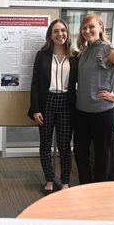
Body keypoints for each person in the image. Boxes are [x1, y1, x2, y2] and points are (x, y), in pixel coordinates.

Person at [74, 13, 114, 184]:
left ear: (101, 28)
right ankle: (86, 187)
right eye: (84, 28)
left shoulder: (108, 50)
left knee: (102, 156)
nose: (87, 31)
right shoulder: (85, 51)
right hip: (81, 112)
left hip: (102, 113)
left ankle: (99, 191)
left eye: (91, 27)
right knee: (80, 153)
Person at [28, 19, 79, 195]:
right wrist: (35, 109)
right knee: (45, 144)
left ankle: (65, 181)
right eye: (56, 31)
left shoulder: (75, 56)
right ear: (50, 35)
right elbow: (34, 84)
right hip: (46, 103)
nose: (60, 34)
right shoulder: (41, 55)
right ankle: (49, 180)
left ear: (67, 33)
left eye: (63, 30)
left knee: (65, 146)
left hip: (67, 103)